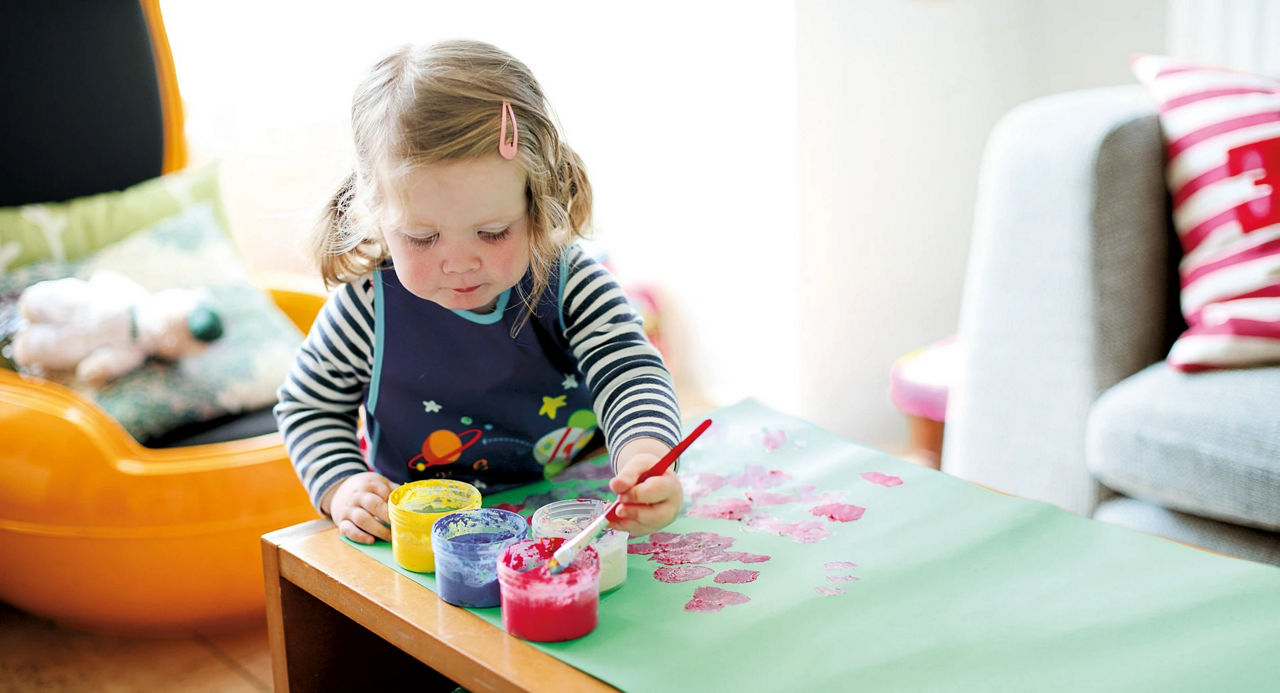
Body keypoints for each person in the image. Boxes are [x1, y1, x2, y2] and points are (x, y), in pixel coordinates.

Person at [275, 40, 683, 546]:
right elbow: (308, 406)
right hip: (428, 539)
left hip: (574, 518)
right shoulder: (366, 309)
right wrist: (341, 485)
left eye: (492, 232)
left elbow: (630, 371)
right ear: (375, 214)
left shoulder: (570, 282)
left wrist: (644, 455)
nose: (460, 262)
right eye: (423, 238)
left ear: (536, 203)